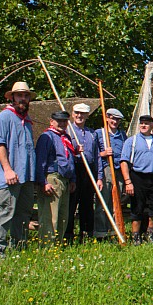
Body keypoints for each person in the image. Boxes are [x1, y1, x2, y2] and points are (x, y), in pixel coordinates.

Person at [0, 81, 36, 257]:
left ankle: (19, 248)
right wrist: (7, 170)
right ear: (12, 97)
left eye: (25, 96)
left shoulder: (27, 121)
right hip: (9, 177)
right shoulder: (4, 118)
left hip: (25, 177)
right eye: (19, 95)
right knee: (5, 213)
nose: (22, 98)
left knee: (23, 214)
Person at [120, 115, 153, 245]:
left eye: (146, 123)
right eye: (142, 123)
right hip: (137, 177)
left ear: (152, 125)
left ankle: (150, 232)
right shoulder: (132, 141)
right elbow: (124, 162)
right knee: (137, 207)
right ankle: (136, 236)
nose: (143, 126)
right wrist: (128, 182)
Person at [35, 111, 77, 245]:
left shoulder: (66, 138)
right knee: (50, 216)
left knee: (63, 215)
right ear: (51, 121)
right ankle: (47, 245)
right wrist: (43, 182)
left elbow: (70, 160)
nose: (62, 124)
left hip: (65, 179)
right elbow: (40, 161)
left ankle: (58, 244)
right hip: (52, 178)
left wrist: (72, 179)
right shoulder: (47, 137)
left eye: (64, 121)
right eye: (59, 121)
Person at [65, 103, 103, 243]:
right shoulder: (68, 131)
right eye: (77, 113)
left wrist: (99, 177)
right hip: (74, 168)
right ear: (73, 114)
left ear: (87, 115)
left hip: (89, 170)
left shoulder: (92, 133)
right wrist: (75, 150)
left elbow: (97, 155)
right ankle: (67, 235)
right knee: (71, 204)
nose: (79, 116)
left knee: (87, 204)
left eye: (82, 114)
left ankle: (86, 234)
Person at [93, 108, 128, 239]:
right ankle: (101, 232)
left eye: (117, 119)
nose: (114, 121)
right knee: (103, 202)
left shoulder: (122, 135)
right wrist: (103, 154)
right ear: (107, 118)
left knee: (116, 202)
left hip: (119, 171)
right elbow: (93, 154)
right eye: (112, 118)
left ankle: (114, 230)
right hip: (106, 169)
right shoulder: (99, 133)